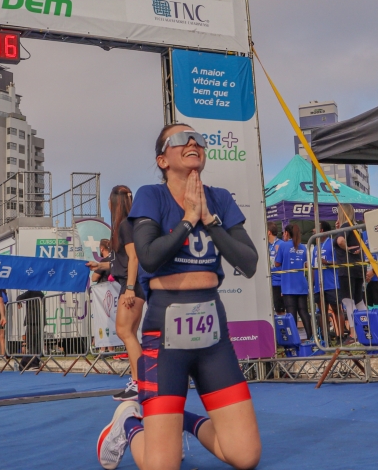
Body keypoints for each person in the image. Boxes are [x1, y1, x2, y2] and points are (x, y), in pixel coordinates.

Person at [97, 124, 261, 470]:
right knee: (162, 467)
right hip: (164, 336)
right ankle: (129, 422)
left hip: (213, 337)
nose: (192, 142)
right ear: (162, 160)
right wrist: (187, 221)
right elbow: (151, 257)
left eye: (198, 139)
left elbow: (248, 263)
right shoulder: (150, 196)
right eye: (180, 139)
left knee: (246, 457)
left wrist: (210, 221)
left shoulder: (219, 198)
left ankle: (179, 419)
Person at [87, 186, 145, 402]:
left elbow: (134, 257)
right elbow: (120, 263)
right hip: (132, 285)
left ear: (114, 203)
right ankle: (137, 381)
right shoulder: (125, 225)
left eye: (109, 201)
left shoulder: (124, 225)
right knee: (129, 333)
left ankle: (139, 383)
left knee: (124, 332)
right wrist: (99, 266)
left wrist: (129, 288)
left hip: (133, 287)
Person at [275, 224, 313, 341]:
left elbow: (277, 263)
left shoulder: (282, 246)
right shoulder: (303, 247)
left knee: (291, 313)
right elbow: (307, 264)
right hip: (301, 284)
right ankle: (311, 338)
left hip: (288, 285)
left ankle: (294, 339)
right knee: (304, 311)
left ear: (286, 233)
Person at [334, 204, 366, 343]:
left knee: (348, 300)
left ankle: (353, 333)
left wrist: (346, 248)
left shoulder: (346, 225)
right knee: (359, 300)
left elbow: (340, 241)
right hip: (358, 267)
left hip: (346, 268)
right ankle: (366, 329)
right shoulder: (356, 227)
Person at [312, 222, 341, 342]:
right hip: (318, 285)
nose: (313, 230)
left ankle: (340, 336)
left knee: (336, 309)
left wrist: (327, 262)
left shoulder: (332, 243)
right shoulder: (315, 246)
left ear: (322, 230)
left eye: (315, 227)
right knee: (321, 311)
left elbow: (340, 262)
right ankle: (325, 337)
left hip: (331, 283)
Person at [15, 290, 45, 371]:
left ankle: (32, 363)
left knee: (31, 343)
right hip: (40, 321)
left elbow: (19, 297)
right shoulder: (41, 293)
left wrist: (19, 303)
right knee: (37, 343)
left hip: (32, 321)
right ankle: (35, 362)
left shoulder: (30, 292)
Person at [267, 222, 285, 315]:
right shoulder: (266, 245)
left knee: (280, 309)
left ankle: (283, 328)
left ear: (268, 232)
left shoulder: (281, 244)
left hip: (279, 281)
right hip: (269, 281)